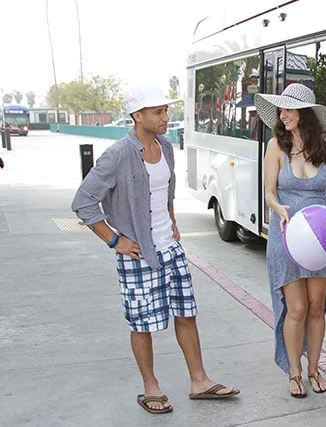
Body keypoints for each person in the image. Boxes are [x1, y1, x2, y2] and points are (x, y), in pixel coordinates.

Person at [71, 84, 240, 414]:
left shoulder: (166, 147)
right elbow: (83, 202)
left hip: (171, 250)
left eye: (166, 110)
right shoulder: (117, 155)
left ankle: (200, 381)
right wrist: (115, 240)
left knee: (187, 315)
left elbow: (166, 190)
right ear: (138, 116)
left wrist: (173, 220)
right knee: (142, 324)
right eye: (158, 112)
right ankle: (151, 387)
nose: (166, 117)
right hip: (138, 255)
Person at [254, 83, 326, 398]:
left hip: (322, 238)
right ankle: (294, 372)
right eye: (281, 110)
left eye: (289, 109)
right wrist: (278, 207)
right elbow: (269, 192)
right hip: (287, 235)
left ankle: (314, 368)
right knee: (296, 309)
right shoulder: (275, 147)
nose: (283, 115)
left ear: (305, 113)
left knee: (317, 307)